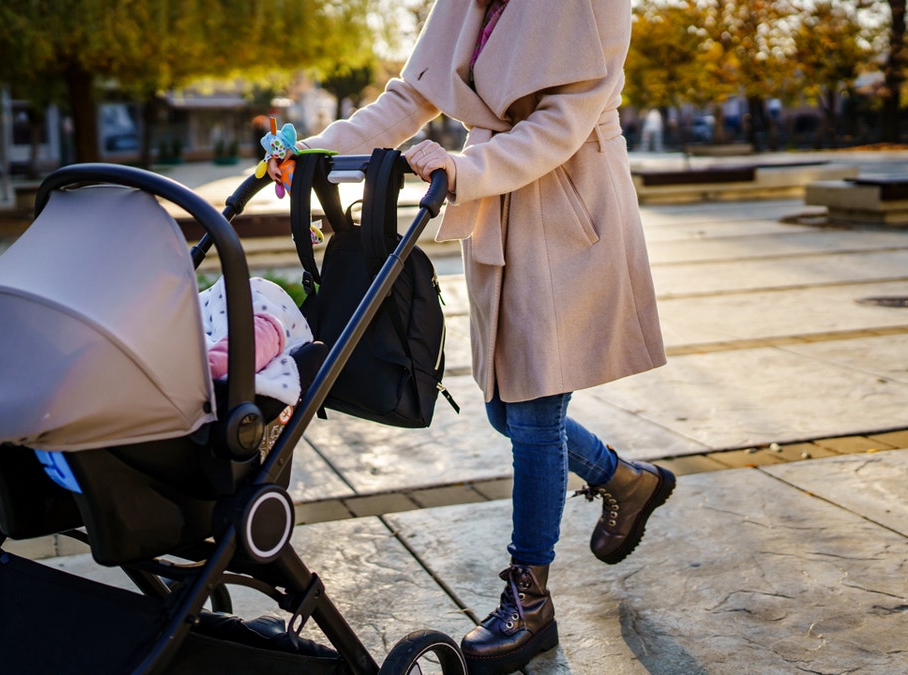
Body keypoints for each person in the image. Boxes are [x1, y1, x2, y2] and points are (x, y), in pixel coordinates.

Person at [268, 0, 674, 672]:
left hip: (569, 208)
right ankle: (626, 482)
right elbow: (410, 96)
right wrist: (311, 151)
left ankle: (531, 601)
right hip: (497, 204)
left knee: (536, 409)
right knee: (503, 406)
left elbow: (558, 125)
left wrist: (460, 168)